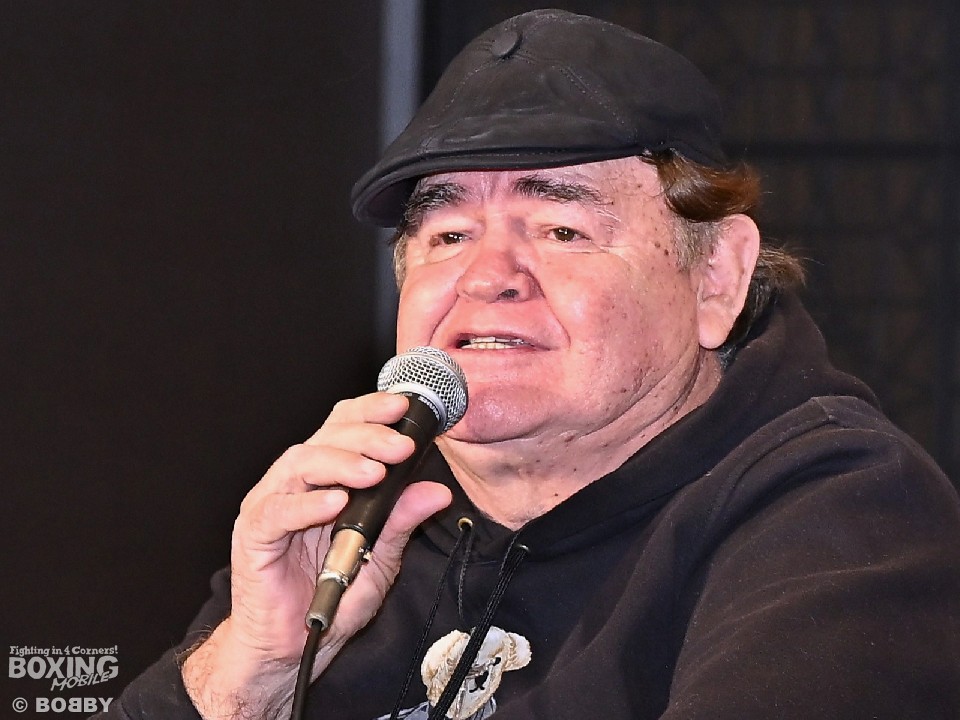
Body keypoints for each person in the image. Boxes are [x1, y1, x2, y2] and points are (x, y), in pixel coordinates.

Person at [98, 9, 960, 720]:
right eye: (448, 235)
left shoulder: (842, 519)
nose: (487, 276)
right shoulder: (357, 518)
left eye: (561, 229)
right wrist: (252, 670)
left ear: (716, 278)